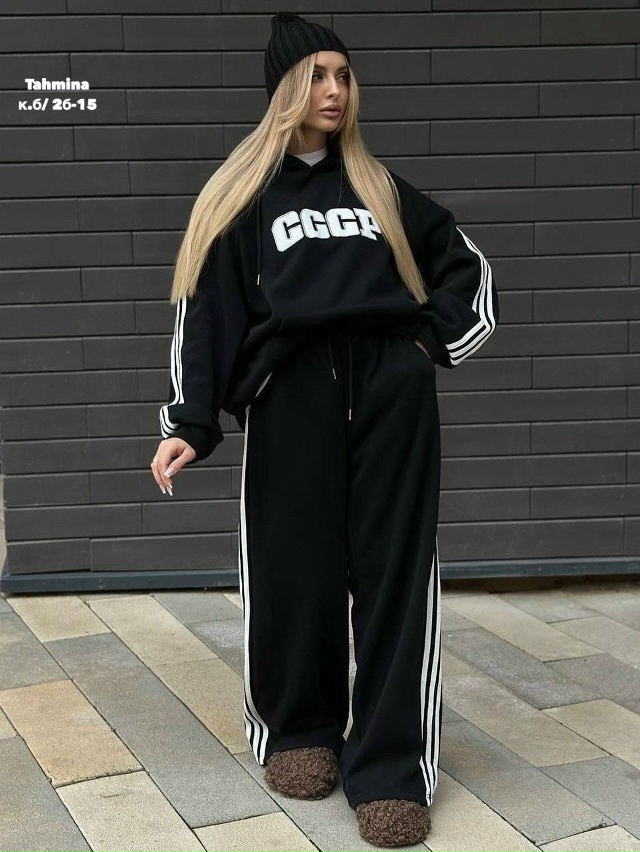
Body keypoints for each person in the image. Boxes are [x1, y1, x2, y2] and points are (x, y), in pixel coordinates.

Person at [150, 11, 499, 848]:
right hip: (292, 400)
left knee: (396, 578)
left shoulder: (383, 190)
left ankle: (391, 768)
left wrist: (423, 348)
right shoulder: (241, 198)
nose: (334, 91)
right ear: (285, 89)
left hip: (391, 398)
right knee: (291, 571)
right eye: (316, 77)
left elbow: (470, 274)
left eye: (343, 75)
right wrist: (190, 422)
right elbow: (205, 314)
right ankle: (300, 731)